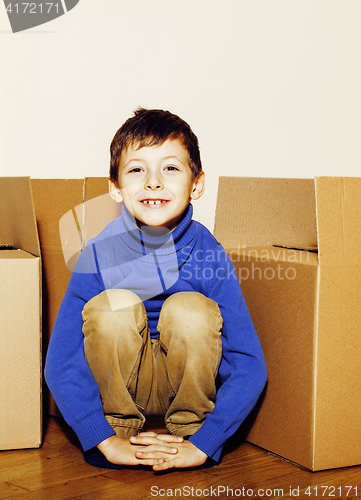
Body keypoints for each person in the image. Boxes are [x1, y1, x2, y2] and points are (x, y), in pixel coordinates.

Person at [45, 108, 267, 471]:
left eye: (170, 168)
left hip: (186, 390)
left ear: (197, 184)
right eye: (136, 169)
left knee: (190, 309)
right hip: (119, 390)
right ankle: (120, 433)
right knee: (111, 306)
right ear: (115, 188)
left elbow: (248, 362)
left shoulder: (209, 253)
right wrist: (102, 438)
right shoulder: (100, 252)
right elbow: (62, 359)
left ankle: (187, 431)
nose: (153, 182)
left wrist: (205, 442)